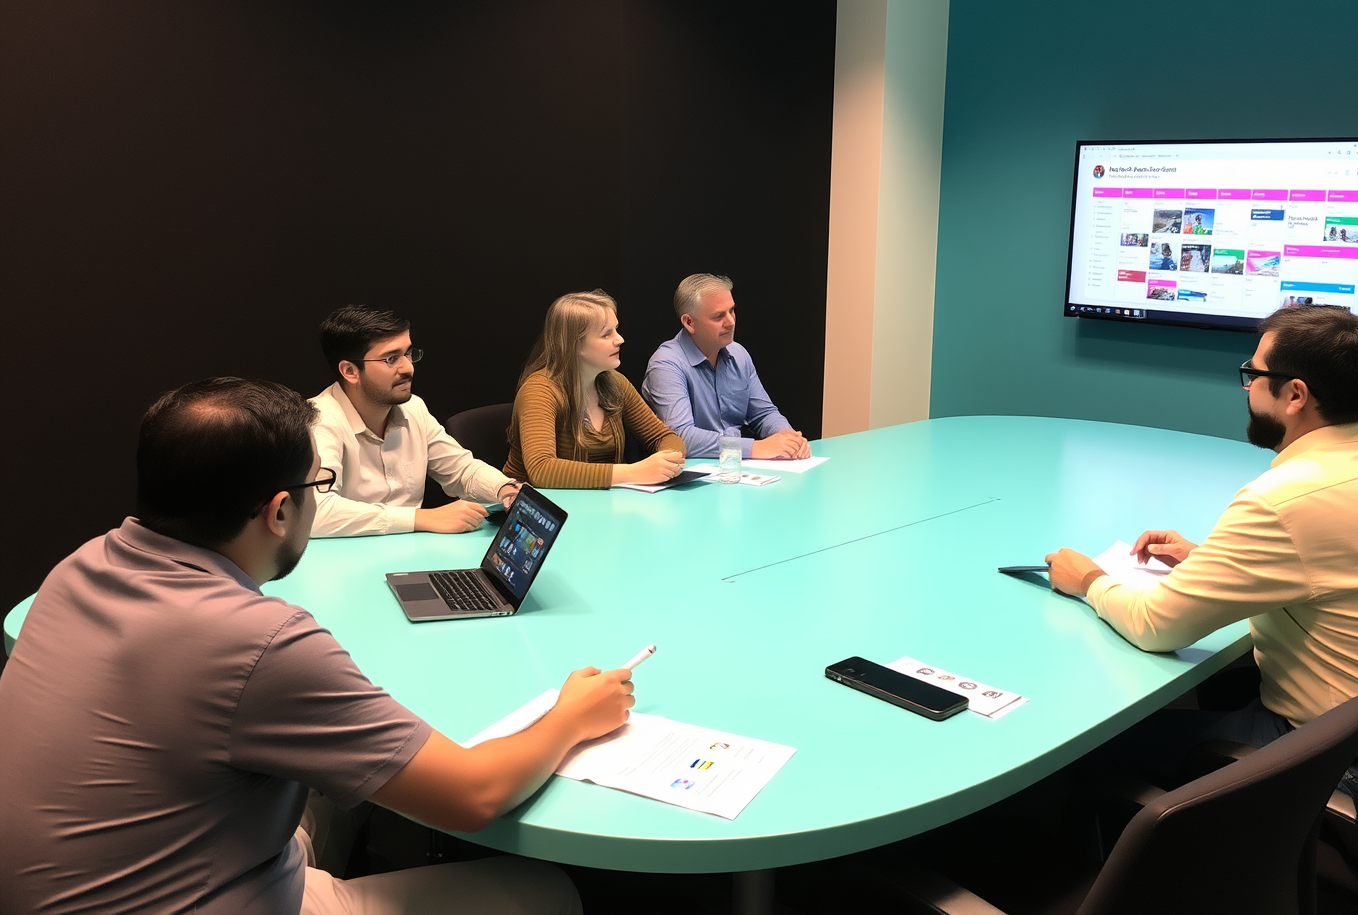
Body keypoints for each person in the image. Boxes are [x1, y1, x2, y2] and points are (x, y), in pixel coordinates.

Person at [0, 377, 633, 914]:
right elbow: (475, 795)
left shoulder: (79, 566)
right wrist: (572, 716)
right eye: (316, 485)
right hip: (201, 896)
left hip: (104, 878)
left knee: (332, 791)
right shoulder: (261, 643)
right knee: (541, 891)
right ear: (279, 511)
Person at [1046, 305, 1358, 824]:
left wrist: (1089, 581)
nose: (1246, 387)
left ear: (1295, 394)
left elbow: (1155, 625)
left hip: (1344, 763)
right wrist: (1211, 559)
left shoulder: (1285, 500)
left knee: (1091, 743)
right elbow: (1342, 564)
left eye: (1252, 375)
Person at [310, 305, 520, 537]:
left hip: (409, 551)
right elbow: (317, 511)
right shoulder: (319, 421)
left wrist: (506, 489)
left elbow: (462, 471)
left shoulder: (413, 408)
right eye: (391, 359)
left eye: (408, 354)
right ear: (350, 371)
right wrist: (421, 518)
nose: (408, 368)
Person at [505, 290, 687, 488]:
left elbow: (663, 436)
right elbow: (542, 469)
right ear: (575, 345)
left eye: (616, 330)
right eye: (606, 334)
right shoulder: (539, 390)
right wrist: (636, 472)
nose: (620, 340)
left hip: (602, 503)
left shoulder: (615, 383)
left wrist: (666, 461)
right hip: (541, 510)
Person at [642, 273, 809, 460]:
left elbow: (764, 414)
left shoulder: (738, 354)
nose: (731, 322)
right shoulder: (666, 364)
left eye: (732, 311)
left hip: (734, 468)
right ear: (689, 322)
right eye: (718, 316)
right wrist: (753, 448)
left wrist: (788, 438)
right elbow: (681, 436)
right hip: (691, 475)